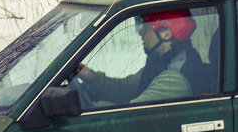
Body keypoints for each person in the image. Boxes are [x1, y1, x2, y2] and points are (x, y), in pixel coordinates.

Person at [74, 9, 202, 106]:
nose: (140, 33)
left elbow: (129, 114)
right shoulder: (160, 62)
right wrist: (91, 77)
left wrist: (90, 108)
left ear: (166, 34)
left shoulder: (174, 79)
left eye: (145, 28)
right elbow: (125, 89)